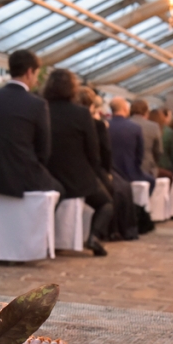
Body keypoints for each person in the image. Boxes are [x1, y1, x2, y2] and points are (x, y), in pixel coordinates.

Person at [0, 50, 63, 198]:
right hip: (21, 178)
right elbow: (43, 150)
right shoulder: (37, 104)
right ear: (30, 72)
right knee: (59, 191)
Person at [44, 70, 112, 256]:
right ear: (72, 88)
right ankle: (94, 237)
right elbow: (93, 150)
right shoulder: (81, 114)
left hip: (47, 172)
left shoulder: (41, 108)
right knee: (106, 203)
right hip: (77, 176)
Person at [77, 87, 138, 241]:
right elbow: (102, 154)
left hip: (69, 171)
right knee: (112, 196)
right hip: (88, 173)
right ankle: (103, 232)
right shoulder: (98, 125)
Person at [108, 97, 155, 192]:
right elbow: (139, 154)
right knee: (152, 181)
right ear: (125, 109)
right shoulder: (135, 128)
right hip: (129, 171)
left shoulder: (105, 125)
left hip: (110, 171)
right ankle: (142, 205)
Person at [130, 99, 163, 179]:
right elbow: (158, 150)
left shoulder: (126, 124)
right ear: (146, 111)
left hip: (128, 166)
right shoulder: (154, 126)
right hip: (148, 166)